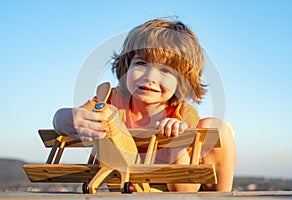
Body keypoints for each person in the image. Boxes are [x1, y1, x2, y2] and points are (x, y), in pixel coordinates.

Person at [53, 17, 236, 192]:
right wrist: (68, 118)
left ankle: (220, 194)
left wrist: (177, 144)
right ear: (127, 66)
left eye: (165, 70)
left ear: (182, 81)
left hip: (173, 188)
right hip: (127, 185)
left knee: (215, 127)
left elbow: (185, 189)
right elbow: (62, 121)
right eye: (141, 63)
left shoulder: (181, 114)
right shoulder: (111, 101)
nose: (150, 77)